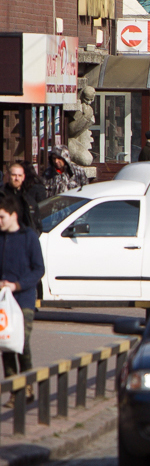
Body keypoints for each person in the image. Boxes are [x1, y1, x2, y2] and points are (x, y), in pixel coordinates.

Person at [0, 195, 45, 405]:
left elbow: (39, 269)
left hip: (24, 299)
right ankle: (13, 390)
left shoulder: (28, 237)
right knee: (6, 343)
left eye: (2, 217)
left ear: (13, 216)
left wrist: (18, 285)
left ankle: (27, 383)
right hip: (3, 301)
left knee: (23, 342)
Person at [1, 162, 46, 232]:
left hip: (23, 240)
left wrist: (31, 238)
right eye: (14, 175)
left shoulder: (28, 200)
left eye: (19, 175)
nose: (17, 178)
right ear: (8, 176)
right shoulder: (2, 196)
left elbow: (37, 224)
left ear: (23, 177)